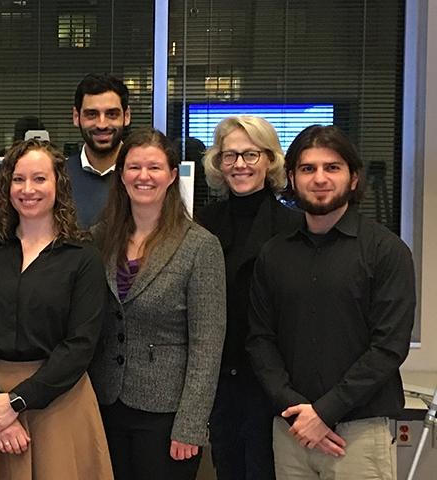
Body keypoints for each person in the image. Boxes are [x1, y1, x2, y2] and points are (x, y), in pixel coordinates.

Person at [248, 125, 414, 480]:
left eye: (332, 167)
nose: (319, 178)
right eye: (308, 169)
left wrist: (323, 413)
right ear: (291, 178)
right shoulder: (274, 254)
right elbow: (260, 340)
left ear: (353, 178)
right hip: (291, 429)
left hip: (359, 434)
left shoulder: (386, 251)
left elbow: (388, 347)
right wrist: (295, 408)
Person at [0, 139, 113, 479]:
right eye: (18, 179)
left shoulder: (82, 258)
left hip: (58, 403)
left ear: (59, 185)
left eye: (39, 179)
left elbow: (81, 345)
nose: (28, 189)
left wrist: (17, 402)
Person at [90, 127, 226, 480]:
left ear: (171, 175)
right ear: (121, 176)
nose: (143, 176)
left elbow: (207, 348)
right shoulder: (98, 237)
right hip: (105, 404)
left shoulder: (200, 246)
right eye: (134, 167)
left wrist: (191, 425)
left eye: (154, 167)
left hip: (166, 415)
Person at [194, 116, 302, 480]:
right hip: (220, 382)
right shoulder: (202, 224)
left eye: (251, 155)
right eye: (230, 156)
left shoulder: (294, 228)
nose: (239, 165)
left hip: (271, 385)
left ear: (270, 160)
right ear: (218, 163)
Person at [67, 73, 131, 228]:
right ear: (76, 117)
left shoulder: (142, 177)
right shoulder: (58, 176)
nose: (102, 124)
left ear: (126, 116)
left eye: (111, 114)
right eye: (92, 114)